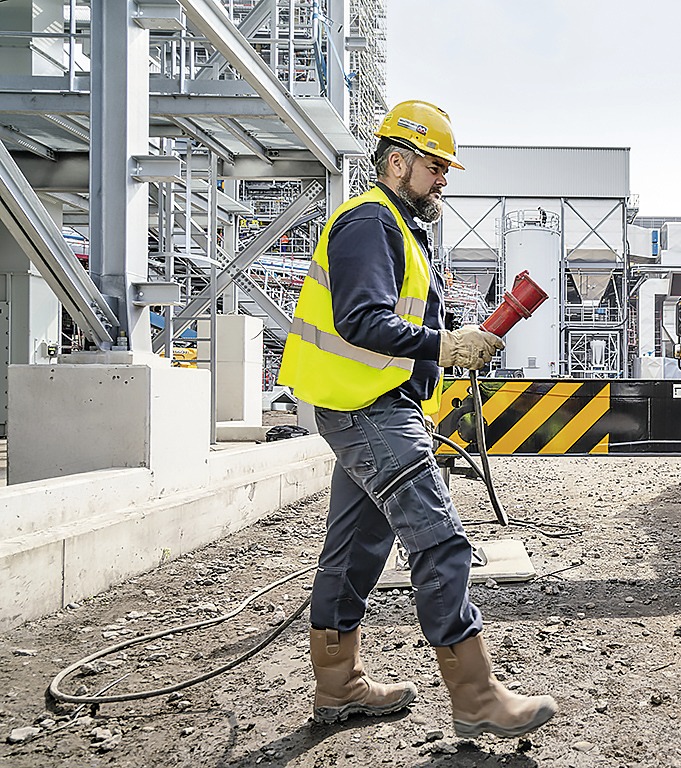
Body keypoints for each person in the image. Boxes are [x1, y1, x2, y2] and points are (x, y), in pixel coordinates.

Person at [277, 100, 558, 738]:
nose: (443, 178)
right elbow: (361, 319)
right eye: (435, 167)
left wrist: (448, 340)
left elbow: (393, 319)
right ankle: (477, 696)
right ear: (397, 162)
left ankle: (337, 685)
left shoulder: (399, 228)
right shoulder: (369, 222)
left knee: (356, 547)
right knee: (439, 539)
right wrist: (444, 345)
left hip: (367, 402)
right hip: (366, 407)